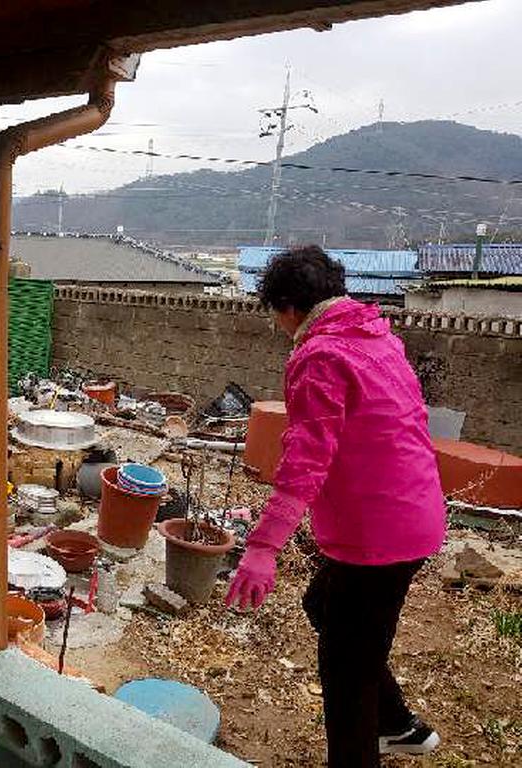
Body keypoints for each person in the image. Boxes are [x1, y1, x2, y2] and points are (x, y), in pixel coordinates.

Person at [225, 245, 445, 766]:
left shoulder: (320, 355)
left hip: (376, 534)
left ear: (288, 307)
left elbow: (305, 460)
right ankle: (398, 726)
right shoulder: (374, 337)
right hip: (415, 514)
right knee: (324, 606)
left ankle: (365, 747)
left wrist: (263, 547)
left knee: (346, 671)